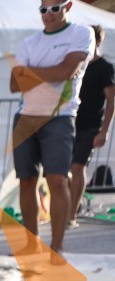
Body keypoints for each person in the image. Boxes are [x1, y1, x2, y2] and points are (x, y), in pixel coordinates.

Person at [10, 0, 94, 256]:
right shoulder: (29, 42)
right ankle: (31, 244)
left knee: (57, 179)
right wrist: (52, 71)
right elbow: (14, 84)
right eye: (43, 10)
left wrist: (31, 73)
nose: (48, 15)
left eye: (54, 9)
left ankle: (57, 246)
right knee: (26, 181)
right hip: (26, 116)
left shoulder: (81, 32)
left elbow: (67, 71)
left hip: (60, 115)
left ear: (67, 7)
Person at [69, 25, 114, 228]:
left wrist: (104, 131)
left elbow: (111, 100)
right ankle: (68, 207)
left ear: (97, 42)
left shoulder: (104, 67)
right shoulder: (76, 63)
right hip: (68, 122)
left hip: (90, 126)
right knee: (63, 170)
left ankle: (71, 215)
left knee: (78, 167)